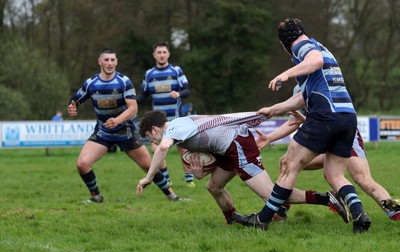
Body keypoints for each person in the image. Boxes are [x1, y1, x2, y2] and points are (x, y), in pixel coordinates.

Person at [233, 18, 371, 233]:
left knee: (289, 166)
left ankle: (262, 219)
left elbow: (314, 61)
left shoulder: (302, 46)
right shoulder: (323, 50)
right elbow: (303, 98)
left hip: (325, 116)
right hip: (347, 118)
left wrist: (286, 73)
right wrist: (273, 109)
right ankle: (360, 214)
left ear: (284, 43)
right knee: (334, 174)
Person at [135, 110, 349, 225]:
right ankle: (232, 220)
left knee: (275, 196)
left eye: (149, 137)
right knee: (214, 186)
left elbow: (162, 146)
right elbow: (211, 147)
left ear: (154, 129)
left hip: (237, 145)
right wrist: (201, 171)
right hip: (227, 149)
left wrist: (149, 176)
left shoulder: (173, 128)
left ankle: (325, 198)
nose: (152, 141)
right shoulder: (181, 127)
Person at [255, 86, 400, 221]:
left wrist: (279, 111)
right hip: (324, 134)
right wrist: (269, 138)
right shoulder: (299, 87)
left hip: (343, 136)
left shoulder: (324, 80)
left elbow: (333, 119)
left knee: (362, 179)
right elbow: (293, 122)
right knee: (286, 162)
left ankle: (394, 213)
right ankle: (283, 206)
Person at [67, 48, 188, 203]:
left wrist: (117, 120)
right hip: (103, 132)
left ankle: (173, 196)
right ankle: (96, 197)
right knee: (82, 164)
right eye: (106, 60)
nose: (110, 63)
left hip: (125, 132)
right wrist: (72, 107)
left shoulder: (124, 81)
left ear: (116, 62)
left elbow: (133, 108)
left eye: (112, 60)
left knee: (149, 166)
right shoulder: (91, 83)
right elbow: (76, 99)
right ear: (100, 62)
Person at [136, 42, 195, 187]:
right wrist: (131, 102)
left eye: (164, 52)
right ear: (154, 55)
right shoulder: (149, 74)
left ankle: (189, 179)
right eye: (159, 52)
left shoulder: (176, 71)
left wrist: (179, 93)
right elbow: (144, 95)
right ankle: (167, 180)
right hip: (157, 121)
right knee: (157, 149)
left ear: (168, 54)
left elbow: (187, 90)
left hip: (176, 118)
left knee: (183, 148)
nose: (161, 55)